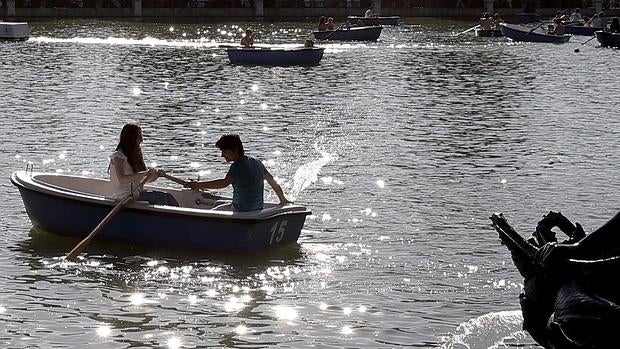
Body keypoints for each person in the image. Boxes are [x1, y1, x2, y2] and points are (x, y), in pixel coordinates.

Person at [184, 134, 292, 212]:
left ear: (235, 150)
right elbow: (271, 180)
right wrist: (282, 199)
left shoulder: (237, 166)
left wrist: (198, 185)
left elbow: (223, 183)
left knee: (211, 212)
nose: (222, 155)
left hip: (241, 210)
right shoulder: (257, 162)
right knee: (218, 203)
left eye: (225, 151)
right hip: (257, 209)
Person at [108, 123, 179, 206]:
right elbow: (122, 179)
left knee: (168, 197)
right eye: (139, 136)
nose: (142, 140)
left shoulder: (135, 156)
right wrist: (145, 173)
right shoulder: (118, 156)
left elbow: (145, 179)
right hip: (124, 197)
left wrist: (155, 175)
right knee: (161, 198)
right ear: (131, 138)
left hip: (137, 194)